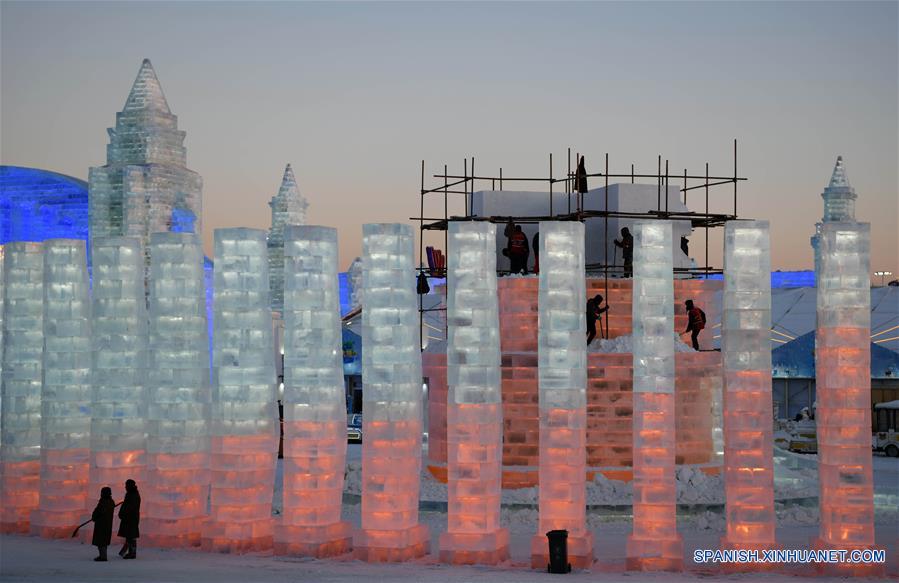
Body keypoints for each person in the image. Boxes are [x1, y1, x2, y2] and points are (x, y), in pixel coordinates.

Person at [91, 487, 115, 562]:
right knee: (103, 541)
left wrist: (94, 517)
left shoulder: (103, 502)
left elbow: (98, 511)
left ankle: (103, 556)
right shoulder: (111, 502)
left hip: (101, 524)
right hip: (107, 524)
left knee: (101, 541)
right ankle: (103, 555)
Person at [117, 479, 141, 559]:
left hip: (131, 518)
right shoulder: (131, 494)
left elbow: (129, 508)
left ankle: (132, 553)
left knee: (131, 536)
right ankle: (131, 552)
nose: (125, 487)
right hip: (130, 518)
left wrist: (123, 514)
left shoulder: (133, 495)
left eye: (126, 485)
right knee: (130, 536)